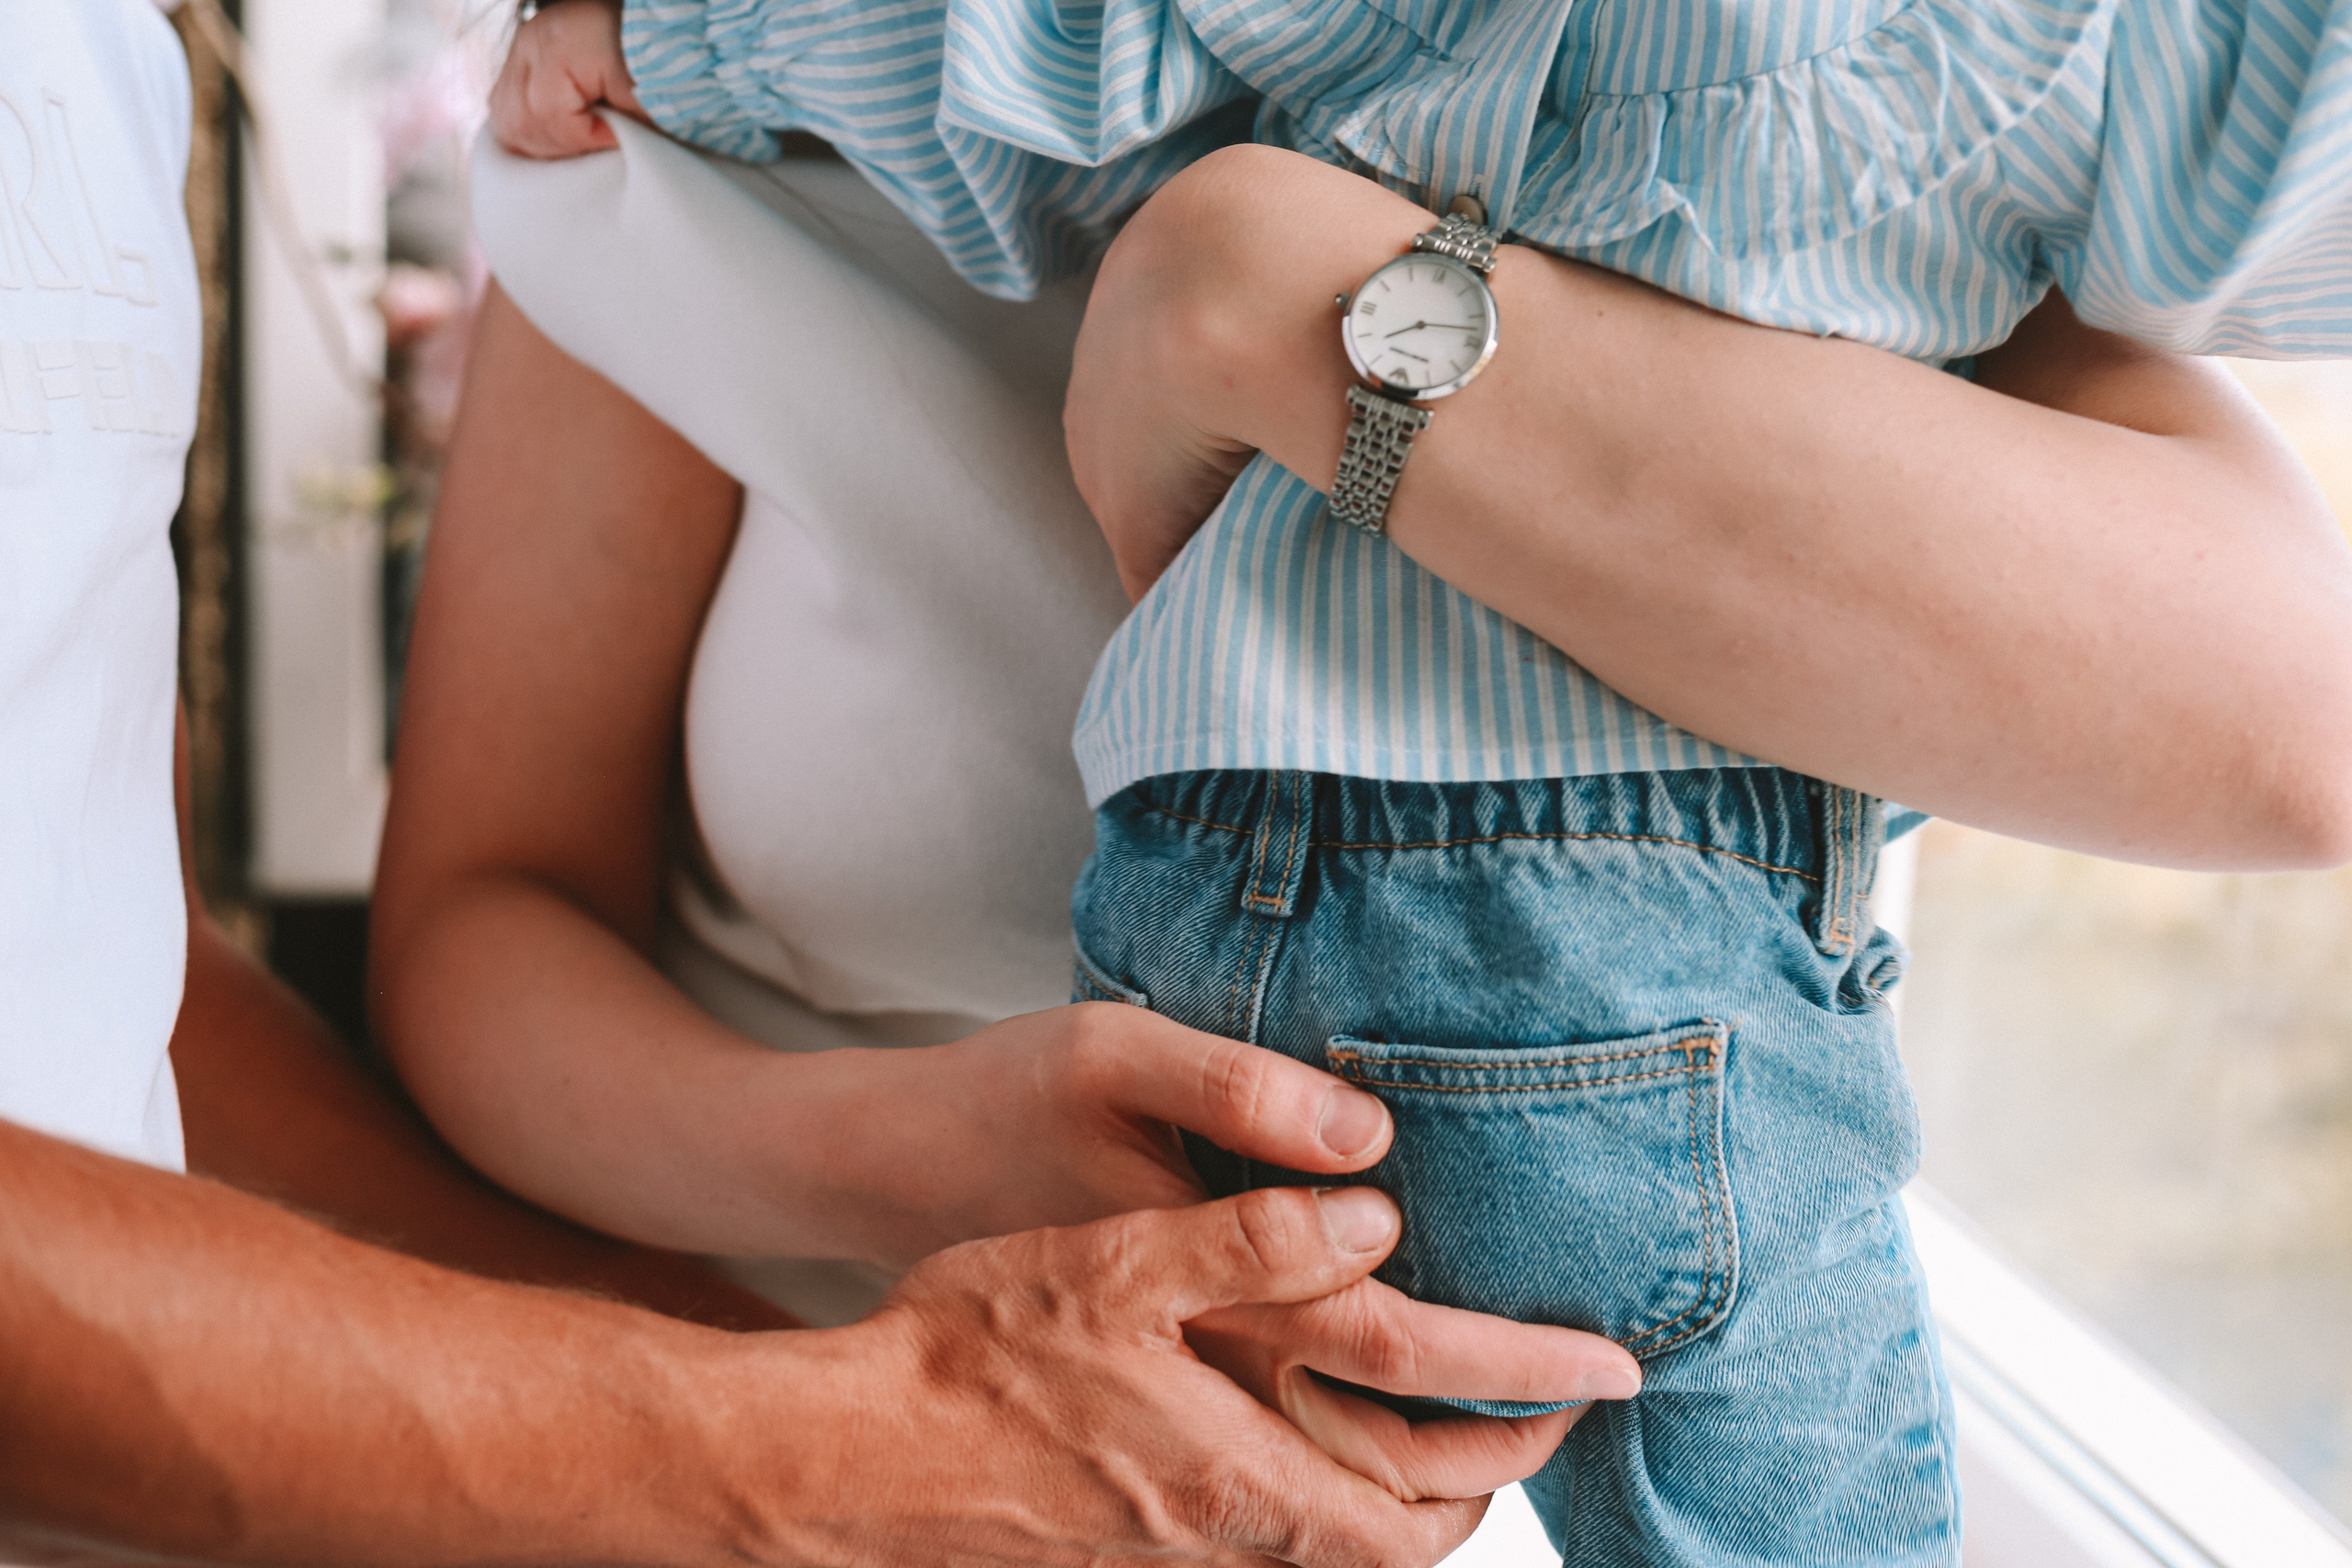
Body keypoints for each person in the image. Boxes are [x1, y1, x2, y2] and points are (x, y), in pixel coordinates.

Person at [486, 0, 2352, 1559]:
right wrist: (928, 1167)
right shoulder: (2011, 60)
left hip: (1206, 901)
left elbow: (2291, 718)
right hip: (770, 1386)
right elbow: (480, 927)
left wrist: (1251, 293)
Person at [0, 3, 1645, 1561]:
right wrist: (869, 1381)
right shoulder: (685, 113)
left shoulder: (102, 62)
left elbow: (139, 981)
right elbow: (471, 925)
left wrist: (883, 1422)